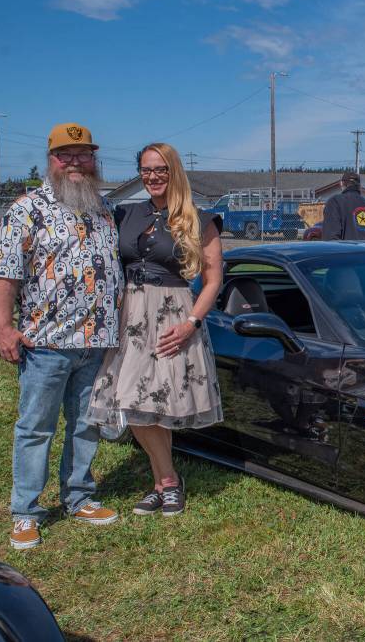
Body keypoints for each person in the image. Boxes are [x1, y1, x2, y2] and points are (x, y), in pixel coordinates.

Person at [0, 122, 124, 550]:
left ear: (93, 160)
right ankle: (26, 512)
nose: (75, 161)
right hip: (45, 343)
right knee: (36, 428)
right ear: (51, 160)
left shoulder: (103, 210)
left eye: (83, 154)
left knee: (85, 425)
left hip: (95, 343)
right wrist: (3, 327)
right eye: (65, 154)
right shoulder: (27, 209)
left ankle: (79, 496)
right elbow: (5, 272)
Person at [86, 142, 223, 517]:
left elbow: (213, 280)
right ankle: (167, 481)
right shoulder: (124, 214)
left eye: (160, 169)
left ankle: (161, 485)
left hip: (174, 315)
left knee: (158, 403)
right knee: (132, 400)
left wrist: (191, 324)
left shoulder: (199, 218)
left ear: (174, 171)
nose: (152, 177)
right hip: (130, 316)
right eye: (146, 170)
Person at [322, 171, 365, 241]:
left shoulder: (335, 202)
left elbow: (330, 239)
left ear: (341, 184)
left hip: (346, 251)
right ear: (359, 186)